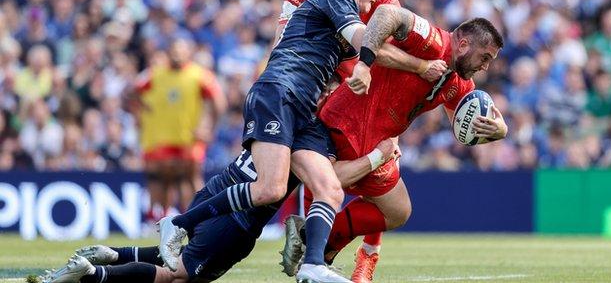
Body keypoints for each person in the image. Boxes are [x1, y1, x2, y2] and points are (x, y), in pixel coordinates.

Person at [156, 0, 389, 283]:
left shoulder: (338, 16)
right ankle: (180, 224)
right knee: (270, 189)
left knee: (330, 189)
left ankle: (312, 266)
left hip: (304, 109)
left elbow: (369, 58)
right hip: (280, 92)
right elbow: (366, 42)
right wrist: (409, 41)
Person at [284, 7, 508, 282]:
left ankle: (315, 242)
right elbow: (388, 13)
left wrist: (500, 129)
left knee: (398, 210)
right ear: (462, 45)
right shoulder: (431, 40)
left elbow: (462, 124)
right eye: (484, 57)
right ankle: (316, 250)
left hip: (377, 142)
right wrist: (368, 64)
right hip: (346, 124)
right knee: (328, 183)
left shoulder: (460, 84)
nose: (485, 66)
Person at [271, 0, 447, 280]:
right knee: (325, 171)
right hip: (332, 85)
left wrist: (416, 68)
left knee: (377, 173)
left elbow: (385, 39)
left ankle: (354, 253)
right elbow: (283, 47)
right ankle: (316, 247)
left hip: (371, 85)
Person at [38, 138, 399, 283]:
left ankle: (112, 255)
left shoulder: (279, 110)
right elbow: (330, 181)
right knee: (179, 276)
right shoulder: (307, 136)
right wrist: (378, 156)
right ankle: (92, 276)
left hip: (215, 190)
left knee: (176, 258)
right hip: (237, 218)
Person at [129, 38, 226, 221]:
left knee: (189, 178)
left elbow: (219, 102)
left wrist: (209, 128)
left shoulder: (199, 75)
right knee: (159, 179)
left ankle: (196, 216)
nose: (177, 55)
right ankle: (158, 220)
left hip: (188, 138)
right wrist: (140, 115)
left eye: (181, 51)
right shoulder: (155, 74)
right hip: (159, 138)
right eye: (174, 50)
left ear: (189, 53)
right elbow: (132, 92)